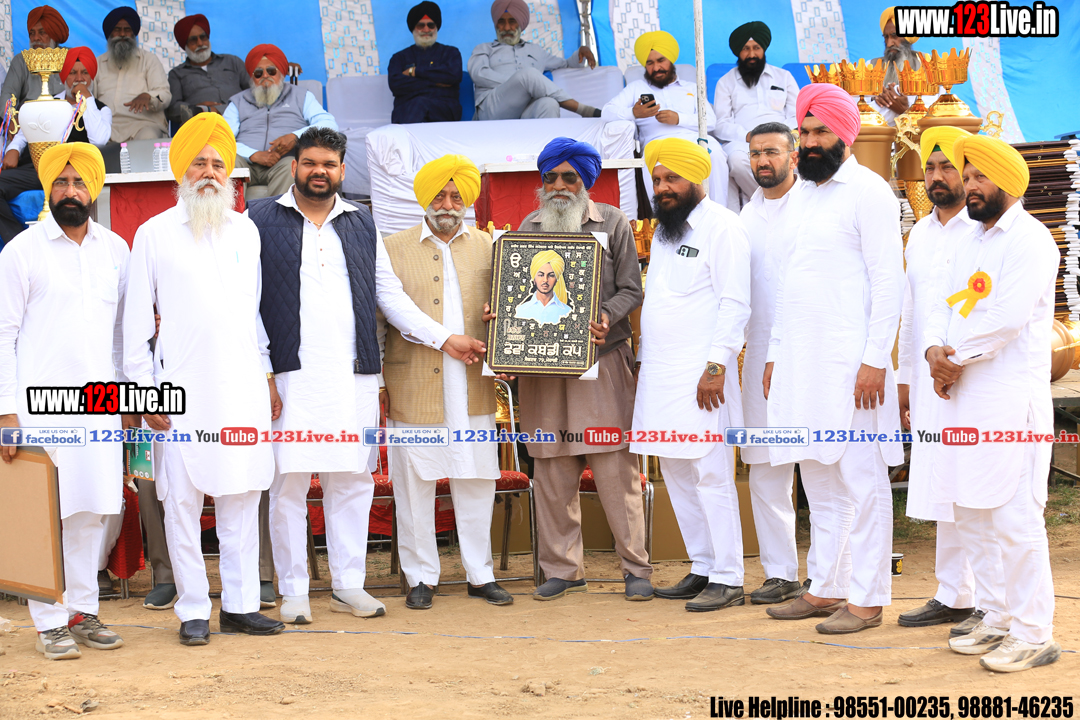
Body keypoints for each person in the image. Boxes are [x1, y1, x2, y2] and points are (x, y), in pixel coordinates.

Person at [252, 130, 487, 623]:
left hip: (354, 375)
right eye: (310, 163)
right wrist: (263, 369)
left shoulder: (362, 222)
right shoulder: (259, 219)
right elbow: (246, 301)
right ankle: (294, 591)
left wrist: (444, 338)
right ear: (294, 167)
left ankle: (348, 585)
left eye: (329, 164)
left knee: (353, 481)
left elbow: (390, 296)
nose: (320, 171)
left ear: (342, 170)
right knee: (289, 484)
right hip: (291, 377)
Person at [123, 113, 284, 645]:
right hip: (180, 393)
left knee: (242, 497)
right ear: (181, 172)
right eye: (199, 163)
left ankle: (240, 606)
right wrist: (145, 393)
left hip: (241, 388)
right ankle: (193, 609)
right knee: (182, 503)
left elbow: (254, 313)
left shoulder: (246, 230)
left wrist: (266, 374)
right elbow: (135, 327)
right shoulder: (152, 233)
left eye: (218, 164)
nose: (210, 173)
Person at [483, 137, 652, 601]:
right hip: (542, 374)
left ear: (585, 181)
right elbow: (514, 293)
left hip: (601, 362)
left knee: (614, 472)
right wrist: (500, 317)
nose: (559, 185)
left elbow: (632, 289)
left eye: (569, 177)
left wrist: (605, 317)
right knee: (552, 472)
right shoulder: (528, 226)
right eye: (551, 177)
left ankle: (635, 569)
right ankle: (563, 570)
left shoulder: (612, 221)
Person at [763, 82, 904, 634]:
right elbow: (789, 283)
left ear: (844, 134)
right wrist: (775, 353)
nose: (810, 141)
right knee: (818, 479)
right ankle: (826, 587)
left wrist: (875, 359)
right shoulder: (801, 195)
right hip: (802, 363)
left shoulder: (870, 192)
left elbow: (889, 283)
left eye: (821, 131)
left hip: (851, 366)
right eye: (804, 131)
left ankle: (868, 599)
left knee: (862, 481)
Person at [924, 134, 1062, 672]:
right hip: (962, 397)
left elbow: (1006, 319)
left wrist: (953, 359)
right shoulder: (968, 241)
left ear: (1008, 181)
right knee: (970, 511)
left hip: (1008, 403)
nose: (970, 185)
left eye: (980, 176)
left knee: (1013, 517)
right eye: (968, 176)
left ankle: (1034, 633)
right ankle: (998, 615)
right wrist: (935, 349)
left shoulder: (1031, 240)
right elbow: (942, 304)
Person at [0, 143, 132, 659]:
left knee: (88, 513)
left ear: (93, 188)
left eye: (79, 183)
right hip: (36, 408)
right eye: (61, 182)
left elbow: (121, 337)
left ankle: (81, 611)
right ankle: (48, 622)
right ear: (47, 189)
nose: (70, 191)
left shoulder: (115, 249)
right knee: (42, 515)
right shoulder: (22, 251)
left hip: (100, 407)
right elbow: (3, 335)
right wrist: (6, 412)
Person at [381, 155, 513, 610]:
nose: (448, 204)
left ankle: (481, 574)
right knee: (414, 486)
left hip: (473, 383)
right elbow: (387, 313)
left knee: (477, 480)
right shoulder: (392, 247)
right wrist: (379, 379)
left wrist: (509, 349)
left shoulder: (490, 245)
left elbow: (508, 309)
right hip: (414, 382)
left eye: (457, 196)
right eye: (439, 195)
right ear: (425, 198)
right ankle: (421, 577)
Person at [631, 137, 751, 611]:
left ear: (697, 178)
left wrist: (716, 367)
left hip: (702, 376)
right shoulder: (666, 232)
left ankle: (729, 575)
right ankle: (703, 565)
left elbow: (735, 303)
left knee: (710, 473)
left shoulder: (723, 227)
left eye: (672, 179)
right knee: (676, 471)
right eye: (657, 179)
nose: (662, 187)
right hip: (660, 373)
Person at [895, 126, 982, 632]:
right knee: (945, 482)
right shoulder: (921, 233)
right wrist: (905, 379)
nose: (937, 176)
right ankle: (954, 593)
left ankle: (988, 598)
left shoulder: (984, 228)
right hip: (927, 379)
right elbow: (912, 311)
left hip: (971, 375)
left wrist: (955, 360)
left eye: (948, 166)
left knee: (975, 483)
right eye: (930, 168)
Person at [737, 122, 807, 606]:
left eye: (772, 152)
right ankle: (780, 573)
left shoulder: (813, 206)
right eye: (755, 153)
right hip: (758, 354)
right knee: (764, 468)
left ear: (794, 156)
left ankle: (831, 576)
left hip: (809, 352)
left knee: (822, 467)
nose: (763, 161)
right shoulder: (746, 214)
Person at [602, 31, 729, 207]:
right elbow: (607, 112)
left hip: (694, 139)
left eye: (661, 60)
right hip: (658, 143)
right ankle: (662, 219)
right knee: (654, 161)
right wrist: (634, 113)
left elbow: (712, 122)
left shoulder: (691, 87)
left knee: (715, 153)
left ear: (671, 60)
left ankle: (719, 212)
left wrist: (678, 119)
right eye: (650, 63)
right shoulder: (636, 88)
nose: (656, 68)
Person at [0, 47, 112, 245]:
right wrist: (13, 149)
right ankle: (16, 241)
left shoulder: (101, 110)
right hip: (38, 168)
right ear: (64, 77)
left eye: (85, 73)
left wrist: (87, 100)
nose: (79, 78)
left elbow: (100, 140)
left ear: (92, 78)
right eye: (73, 73)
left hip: (75, 172)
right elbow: (25, 130)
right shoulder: (48, 101)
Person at [224, 44, 339, 199]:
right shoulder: (238, 101)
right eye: (258, 73)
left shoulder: (301, 96)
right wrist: (252, 155)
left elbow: (329, 124)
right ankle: (229, 215)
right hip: (246, 164)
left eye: (271, 71)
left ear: (282, 72)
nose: (265, 76)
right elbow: (223, 138)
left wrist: (295, 137)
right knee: (228, 162)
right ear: (252, 77)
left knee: (291, 165)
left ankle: (278, 215)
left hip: (282, 163)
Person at [712, 22, 798, 210]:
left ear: (763, 49)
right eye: (746, 49)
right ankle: (773, 202)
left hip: (782, 137)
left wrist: (780, 134)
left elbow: (796, 114)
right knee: (737, 161)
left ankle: (780, 202)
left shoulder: (784, 77)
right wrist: (747, 135)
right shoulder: (725, 82)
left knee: (801, 157)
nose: (751, 54)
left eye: (756, 48)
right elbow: (720, 124)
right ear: (738, 52)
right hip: (743, 141)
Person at [468, 0, 599, 121]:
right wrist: (521, 83)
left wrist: (581, 52)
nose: (506, 27)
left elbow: (566, 65)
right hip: (493, 109)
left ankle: (548, 140)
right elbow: (479, 74)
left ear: (521, 24)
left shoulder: (536, 51)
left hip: (526, 109)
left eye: (512, 21)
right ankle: (583, 110)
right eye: (501, 22)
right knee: (528, 75)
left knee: (549, 104)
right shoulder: (483, 48)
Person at [94, 7, 171, 142]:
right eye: (117, 29)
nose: (122, 34)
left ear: (134, 34)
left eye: (127, 30)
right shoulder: (97, 63)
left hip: (142, 125)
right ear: (109, 33)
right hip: (106, 126)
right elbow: (89, 99)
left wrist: (148, 96)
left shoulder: (149, 60)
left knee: (148, 137)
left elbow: (165, 94)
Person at [166, 14, 251, 128]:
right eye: (193, 40)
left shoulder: (232, 61)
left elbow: (253, 91)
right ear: (184, 45)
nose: (200, 43)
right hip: (202, 124)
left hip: (241, 119)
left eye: (203, 37)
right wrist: (197, 108)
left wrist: (215, 110)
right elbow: (172, 108)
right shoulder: (177, 74)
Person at [388, 2, 462, 124]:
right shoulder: (399, 58)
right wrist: (437, 82)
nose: (426, 30)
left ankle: (407, 136)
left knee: (420, 102)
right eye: (420, 25)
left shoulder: (450, 53)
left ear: (436, 27)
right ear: (413, 28)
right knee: (418, 103)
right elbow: (396, 85)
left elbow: (453, 75)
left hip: (444, 110)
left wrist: (414, 72)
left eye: (431, 25)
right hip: (406, 109)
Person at [870, 6, 934, 126]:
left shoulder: (928, 65)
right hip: (880, 135)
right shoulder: (870, 66)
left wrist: (904, 110)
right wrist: (877, 99)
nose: (889, 43)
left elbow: (935, 114)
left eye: (895, 35)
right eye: (886, 37)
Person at [0, 6, 68, 108]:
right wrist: (12, 116)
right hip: (29, 115)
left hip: (65, 115)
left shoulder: (70, 57)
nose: (35, 38)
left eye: (42, 32)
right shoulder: (21, 61)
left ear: (53, 35)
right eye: (32, 33)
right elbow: (7, 95)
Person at [514, 251, 573, 323]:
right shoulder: (520, 312)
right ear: (534, 279)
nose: (545, 280)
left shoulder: (568, 312)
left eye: (551, 275)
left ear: (556, 280)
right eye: (541, 275)